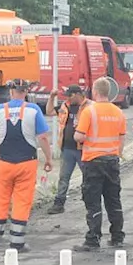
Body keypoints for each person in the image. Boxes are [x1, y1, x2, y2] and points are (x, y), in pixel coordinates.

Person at [0, 78, 53, 252]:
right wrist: (48, 158)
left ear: (11, 92)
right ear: (26, 92)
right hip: (26, 162)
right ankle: (17, 242)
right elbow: (42, 137)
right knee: (22, 201)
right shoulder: (34, 110)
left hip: (4, 162)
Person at [74, 76, 127, 251]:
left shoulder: (89, 112)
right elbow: (121, 138)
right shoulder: (118, 112)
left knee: (93, 201)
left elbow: (79, 136)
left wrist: (78, 136)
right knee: (113, 200)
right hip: (112, 161)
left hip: (93, 161)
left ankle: (93, 239)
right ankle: (117, 236)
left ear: (95, 92)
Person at [45, 84, 90, 214]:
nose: (68, 99)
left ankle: (90, 203)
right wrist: (51, 97)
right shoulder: (65, 106)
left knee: (88, 177)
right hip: (67, 149)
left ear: (77, 94)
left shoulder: (89, 107)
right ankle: (59, 204)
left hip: (84, 149)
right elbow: (49, 112)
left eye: (70, 96)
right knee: (64, 177)